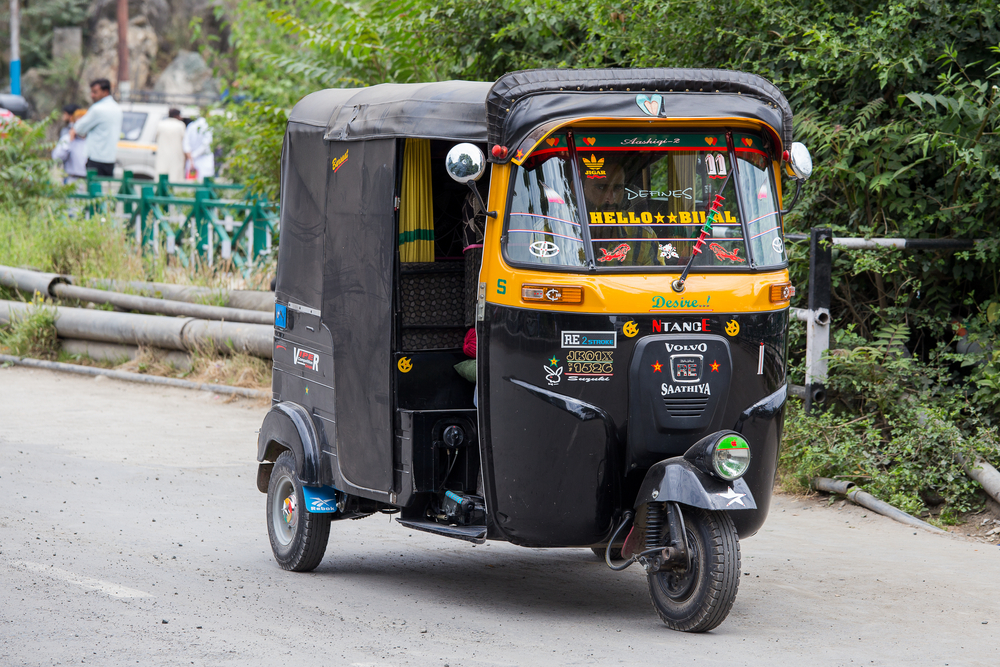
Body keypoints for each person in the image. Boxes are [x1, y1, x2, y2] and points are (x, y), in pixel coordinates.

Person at [69, 79, 123, 177]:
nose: (92, 95)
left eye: (95, 92)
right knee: (106, 190)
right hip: (110, 159)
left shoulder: (97, 109)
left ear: (105, 92)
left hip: (95, 159)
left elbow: (79, 128)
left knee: (93, 190)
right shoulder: (117, 109)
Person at [51, 108, 88, 184]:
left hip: (88, 180)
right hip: (71, 179)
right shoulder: (67, 139)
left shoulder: (92, 140)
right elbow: (56, 157)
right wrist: (69, 141)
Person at [155, 108, 187, 182]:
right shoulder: (180, 125)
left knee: (161, 174)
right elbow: (185, 142)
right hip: (176, 156)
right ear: (177, 115)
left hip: (162, 155)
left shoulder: (161, 124)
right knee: (175, 177)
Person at [183, 115, 214, 181]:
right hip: (204, 160)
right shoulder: (207, 126)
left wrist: (191, 159)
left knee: (191, 185)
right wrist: (194, 156)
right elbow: (206, 144)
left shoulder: (191, 126)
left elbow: (186, 144)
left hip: (192, 160)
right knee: (204, 183)